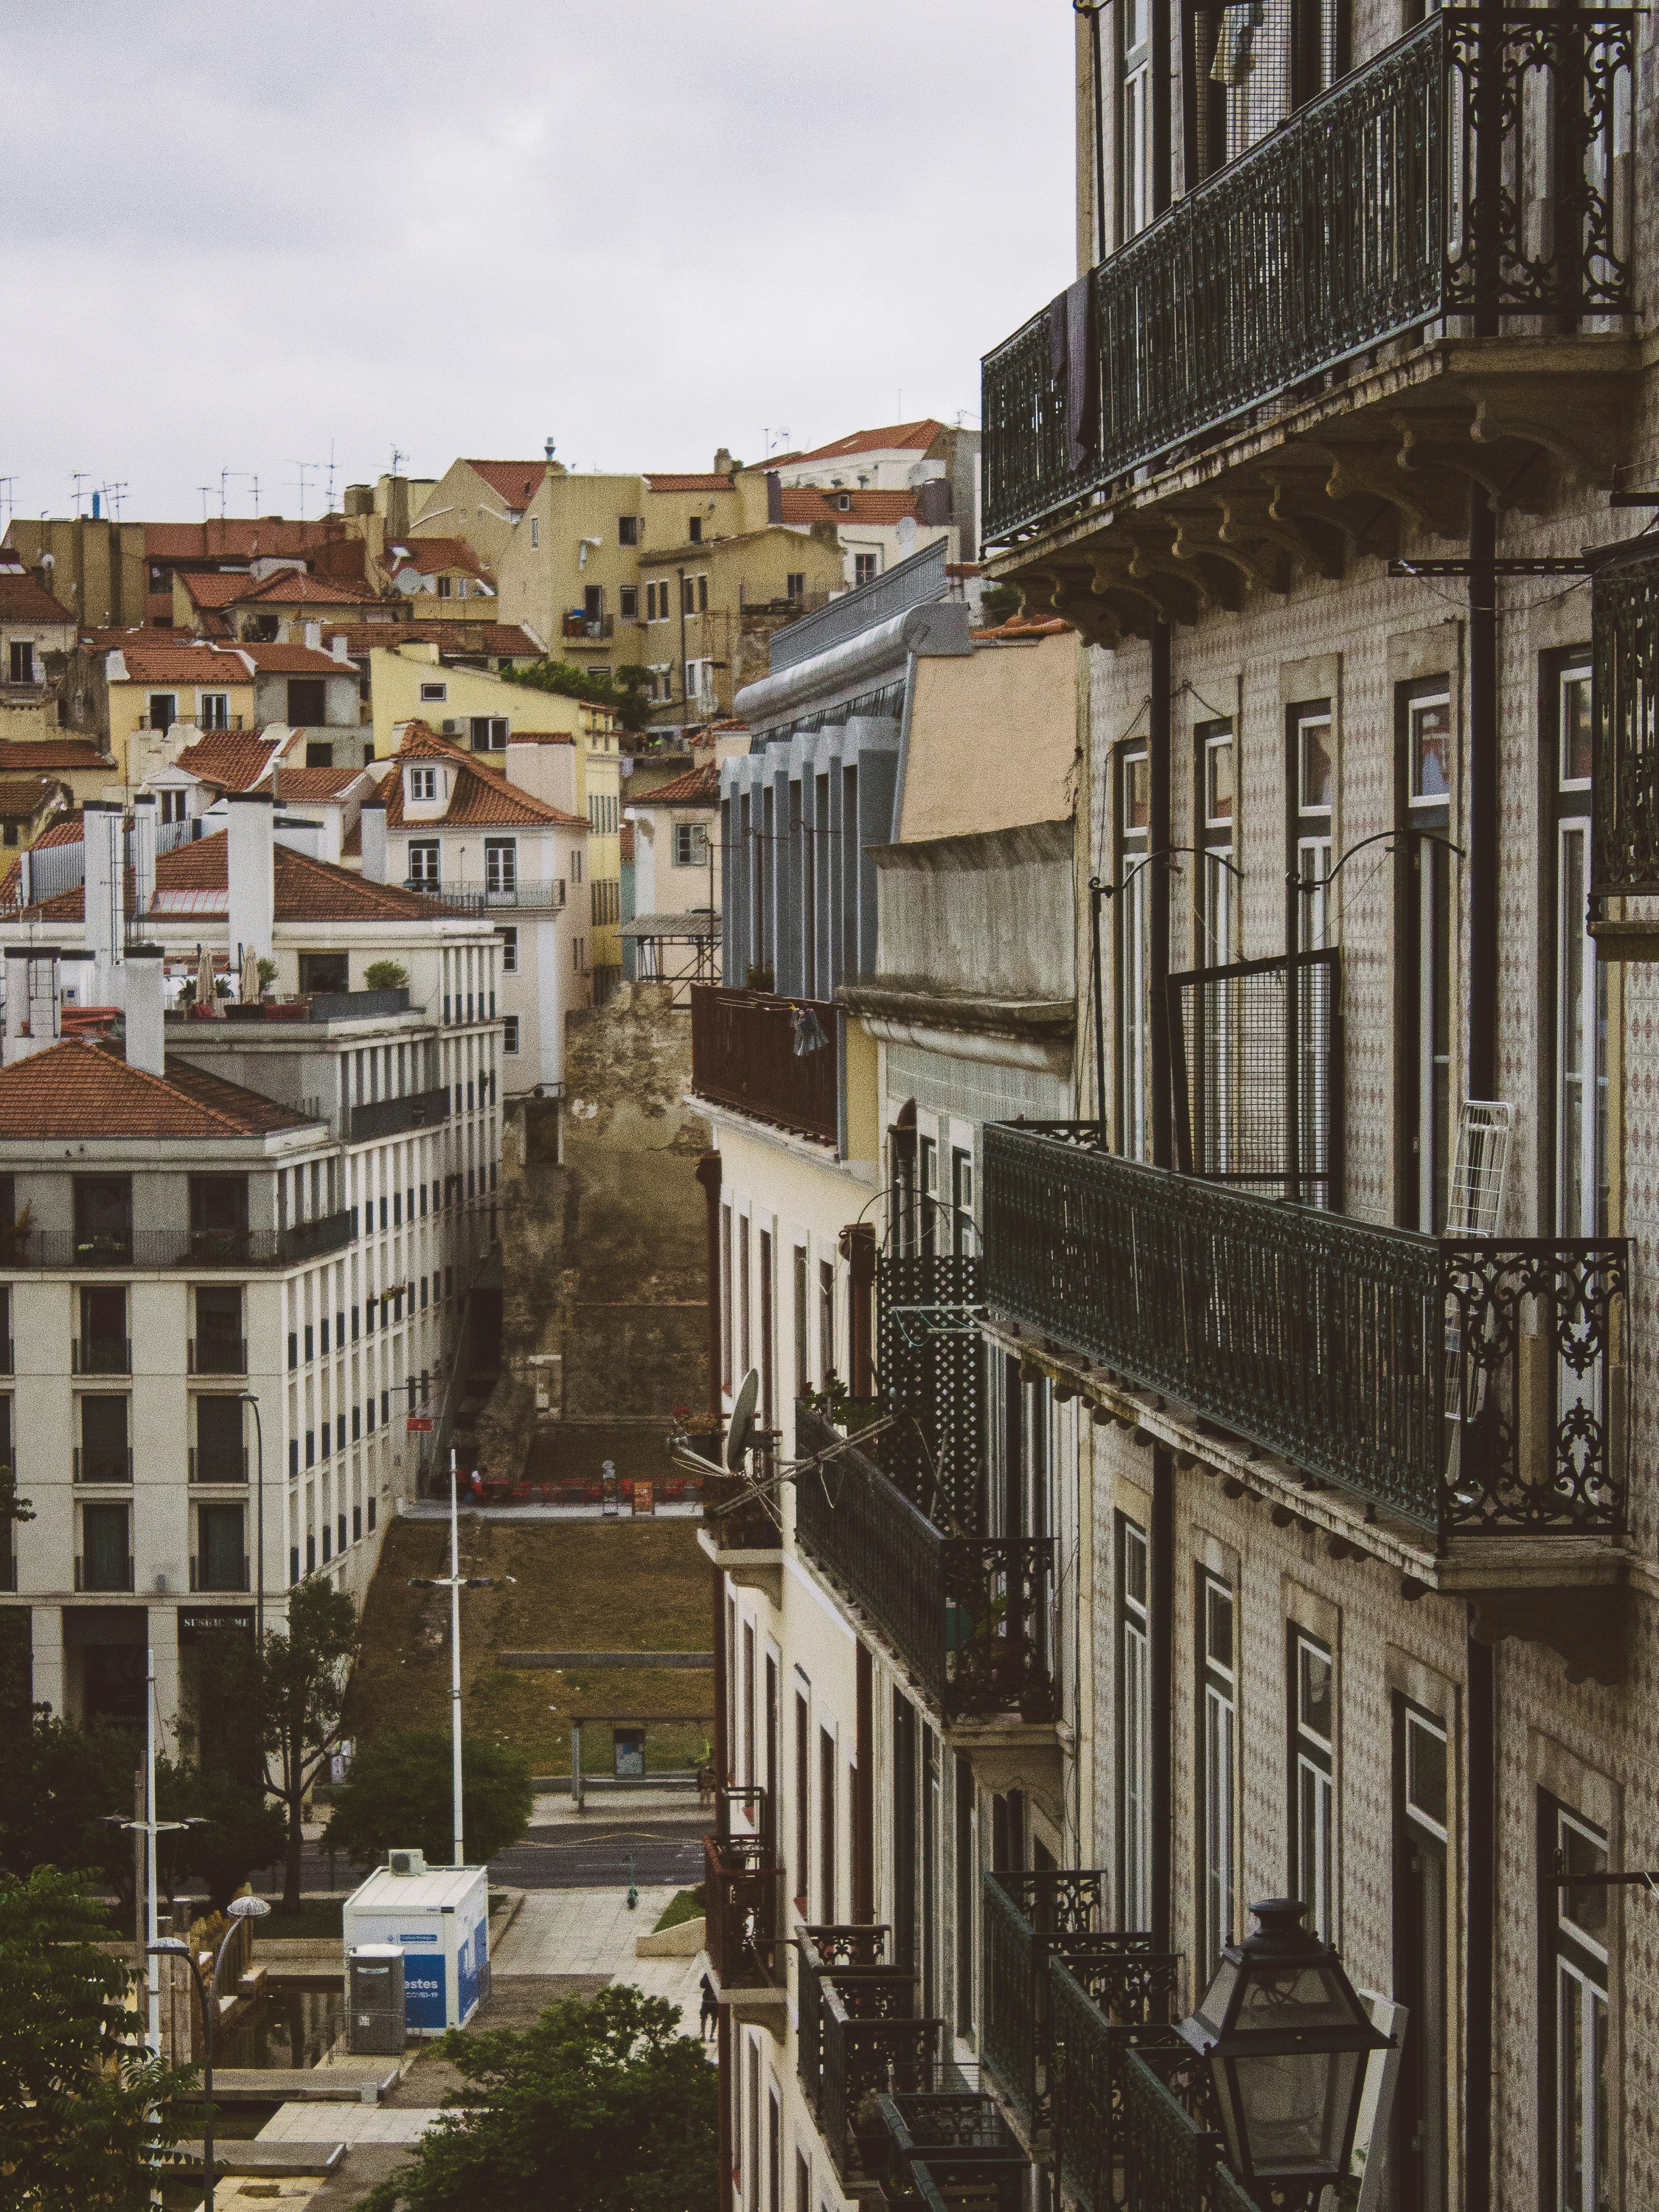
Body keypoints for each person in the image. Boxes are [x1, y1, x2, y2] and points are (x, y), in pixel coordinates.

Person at [699, 1973, 719, 2041]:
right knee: (709, 2018)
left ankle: (708, 2035)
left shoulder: (708, 1974)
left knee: (710, 2018)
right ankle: (707, 2035)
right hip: (709, 2001)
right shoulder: (707, 1974)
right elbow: (702, 1985)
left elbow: (702, 1985)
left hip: (709, 2001)